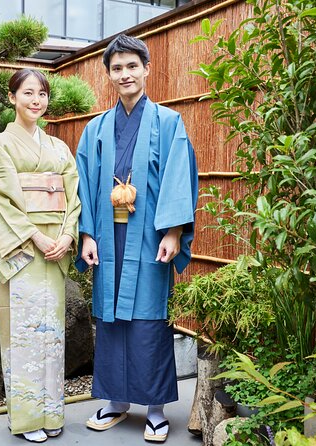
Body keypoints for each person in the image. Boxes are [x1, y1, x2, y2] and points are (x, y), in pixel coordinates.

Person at [75, 34, 198, 443]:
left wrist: (175, 231)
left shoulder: (168, 123)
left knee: (149, 320)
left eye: (132, 66)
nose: (125, 74)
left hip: (150, 237)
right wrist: (87, 234)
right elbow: (85, 185)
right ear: (108, 74)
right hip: (108, 237)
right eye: (117, 68)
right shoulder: (95, 129)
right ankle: (115, 401)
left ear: (146, 69)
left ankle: (157, 409)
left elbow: (180, 177)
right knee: (109, 319)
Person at [0, 68, 81, 443]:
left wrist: (68, 234)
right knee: (24, 332)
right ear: (12, 98)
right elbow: (2, 200)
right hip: (25, 249)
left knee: (52, 334)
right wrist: (36, 237)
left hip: (56, 245)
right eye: (28, 93)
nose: (36, 100)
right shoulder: (1, 144)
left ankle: (52, 412)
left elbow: (73, 197)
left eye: (42, 94)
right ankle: (25, 419)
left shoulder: (58, 147)